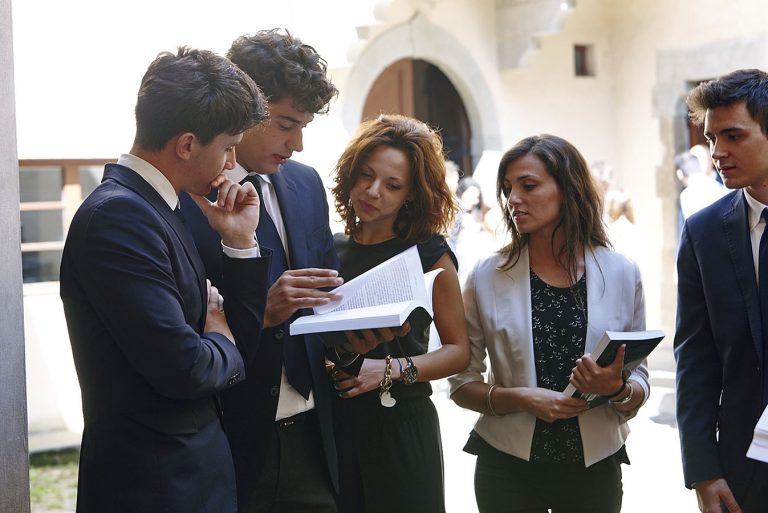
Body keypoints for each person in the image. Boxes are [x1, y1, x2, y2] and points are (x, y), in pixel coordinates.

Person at [59, 47, 270, 513]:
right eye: (228, 146)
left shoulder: (163, 205)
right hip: (153, 488)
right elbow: (186, 367)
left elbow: (234, 340)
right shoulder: (118, 217)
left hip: (194, 478)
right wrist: (221, 340)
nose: (233, 162)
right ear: (187, 144)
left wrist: (239, 244)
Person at [181, 29, 343, 513]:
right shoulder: (185, 194)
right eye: (285, 124)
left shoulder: (307, 184)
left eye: (305, 125)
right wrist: (261, 311)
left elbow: (328, 286)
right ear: (243, 108)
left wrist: (355, 329)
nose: (296, 143)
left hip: (318, 435)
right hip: (227, 436)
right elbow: (178, 327)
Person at [449, 134, 650, 513]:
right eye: (508, 189)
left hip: (594, 466)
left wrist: (619, 388)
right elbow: (462, 384)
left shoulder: (622, 271)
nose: (513, 200)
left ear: (568, 189)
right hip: (506, 466)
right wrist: (521, 398)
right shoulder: (487, 274)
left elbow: (638, 379)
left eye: (528, 185)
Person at [327, 114, 470, 513]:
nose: (373, 192)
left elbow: (459, 351)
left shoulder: (430, 253)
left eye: (392, 186)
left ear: (411, 194)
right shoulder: (326, 249)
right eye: (366, 176)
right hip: (331, 425)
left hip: (401, 423)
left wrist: (387, 370)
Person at [675, 68, 768, 513]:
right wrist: (703, 469)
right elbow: (695, 358)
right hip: (741, 464)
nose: (717, 153)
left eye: (732, 136)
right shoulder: (703, 232)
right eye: (712, 139)